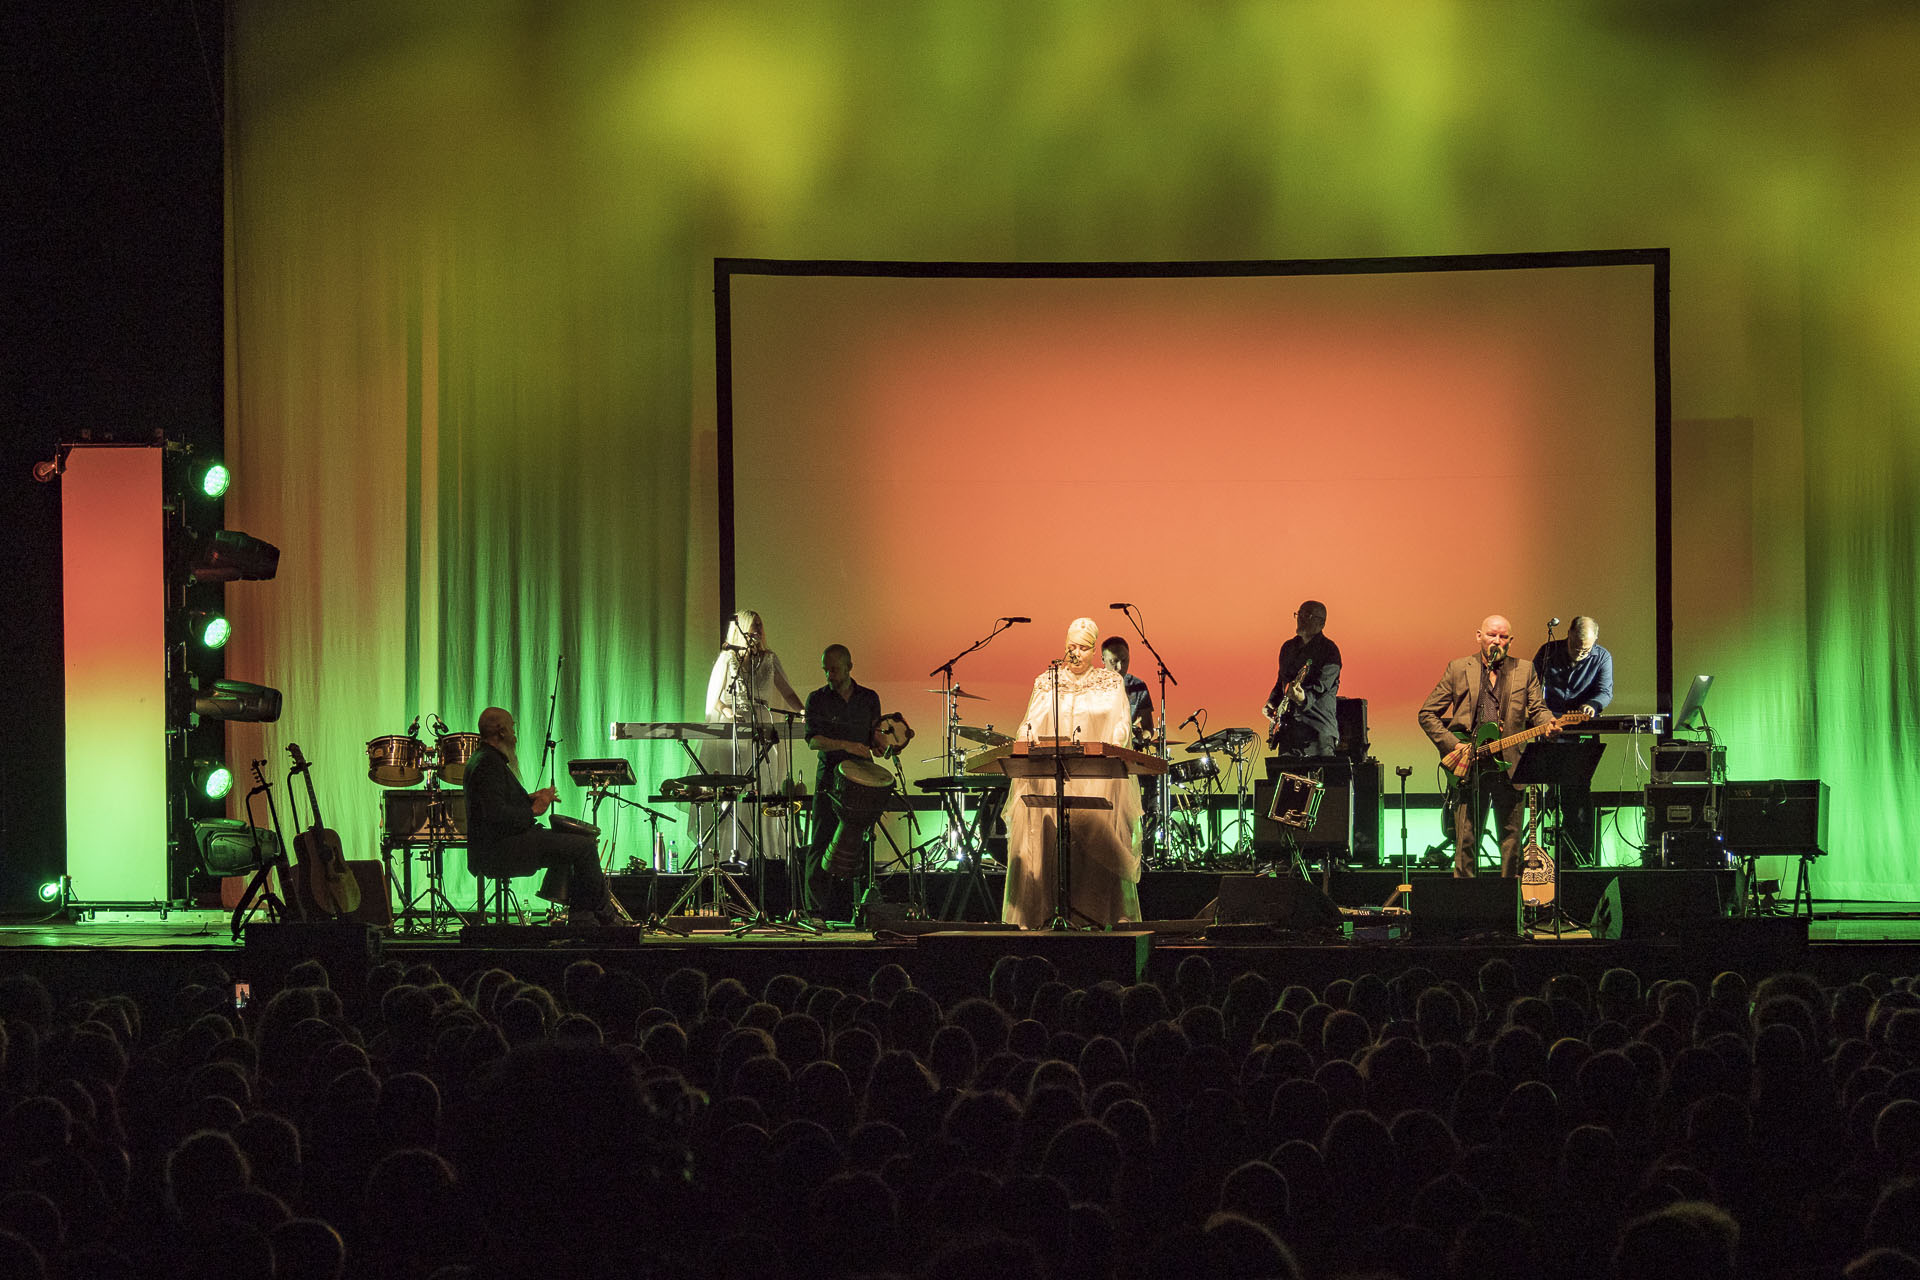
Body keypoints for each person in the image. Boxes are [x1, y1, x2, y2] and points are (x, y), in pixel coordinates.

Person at [1002, 617, 1143, 929]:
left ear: (1094, 650)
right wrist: (1026, 737)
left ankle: (1092, 916)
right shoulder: (1047, 680)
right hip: (1053, 778)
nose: (1075, 653)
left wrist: (1114, 744)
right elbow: (1030, 721)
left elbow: (1120, 723)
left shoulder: (1110, 682)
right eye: (1070, 647)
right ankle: (1047, 914)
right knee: (1052, 846)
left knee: (1094, 848)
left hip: (1096, 782)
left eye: (1082, 648)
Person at [462, 706, 633, 924]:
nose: (515, 736)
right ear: (501, 731)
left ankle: (584, 917)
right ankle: (601, 916)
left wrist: (530, 798)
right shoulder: (488, 763)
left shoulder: (484, 759)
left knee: (573, 842)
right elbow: (496, 816)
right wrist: (534, 809)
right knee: (584, 846)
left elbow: (496, 804)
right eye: (513, 729)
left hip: (502, 843)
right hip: (501, 848)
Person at [1417, 615, 1557, 877]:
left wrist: (1548, 723)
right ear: (1479, 635)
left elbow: (1538, 709)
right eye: (1492, 635)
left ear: (1510, 641)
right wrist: (1453, 745)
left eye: (1503, 637)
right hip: (1470, 766)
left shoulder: (1524, 670)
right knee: (1466, 842)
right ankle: (1466, 909)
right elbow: (1427, 713)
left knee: (1512, 843)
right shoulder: (1459, 668)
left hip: (1510, 767)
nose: (1497, 641)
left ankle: (1507, 908)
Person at [700, 610, 805, 865]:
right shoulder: (728, 658)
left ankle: (767, 855)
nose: (758, 629)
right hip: (736, 733)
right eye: (753, 624)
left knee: (764, 789)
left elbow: (787, 691)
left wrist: (802, 710)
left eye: (760, 624)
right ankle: (730, 856)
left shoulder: (769, 659)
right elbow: (714, 699)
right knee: (738, 790)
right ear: (742, 629)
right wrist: (728, 711)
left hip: (764, 729)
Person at [803, 643, 884, 924]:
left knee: (862, 841)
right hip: (830, 779)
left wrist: (885, 743)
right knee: (822, 841)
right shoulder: (817, 699)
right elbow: (814, 740)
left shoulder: (869, 698)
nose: (828, 675)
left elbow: (875, 736)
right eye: (825, 669)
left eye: (834, 669)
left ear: (850, 667)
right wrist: (848, 746)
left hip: (863, 779)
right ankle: (816, 912)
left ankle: (861, 909)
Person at [1532, 615, 1613, 860]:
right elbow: (1531, 686)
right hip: (1549, 725)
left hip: (1579, 729)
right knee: (1552, 784)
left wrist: (1593, 705)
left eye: (1585, 649)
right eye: (1575, 647)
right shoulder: (1548, 652)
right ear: (1567, 635)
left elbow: (1605, 691)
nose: (1579, 653)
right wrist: (1542, 715)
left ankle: (1577, 853)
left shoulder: (1602, 657)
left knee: (1577, 790)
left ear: (1595, 640)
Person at [1263, 600, 1342, 757]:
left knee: (1318, 781)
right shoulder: (1288, 648)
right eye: (1299, 614)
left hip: (1316, 730)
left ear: (1321, 623)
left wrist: (1303, 698)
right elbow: (1282, 681)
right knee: (1285, 779)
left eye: (1307, 615)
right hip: (1289, 732)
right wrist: (1272, 702)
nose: (1300, 618)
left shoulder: (1329, 651)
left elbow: (1321, 687)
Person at [1100, 637, 1156, 745]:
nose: (1120, 667)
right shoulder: (1092, 684)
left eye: (1125, 660)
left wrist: (1140, 737)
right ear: (1103, 659)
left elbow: (1148, 728)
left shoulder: (1138, 686)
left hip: (1126, 750)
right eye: (1114, 661)